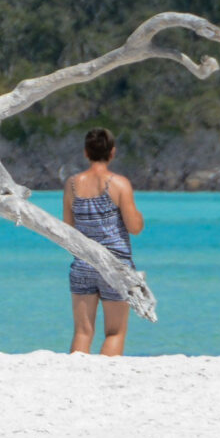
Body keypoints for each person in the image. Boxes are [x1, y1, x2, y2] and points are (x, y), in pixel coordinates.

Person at [62, 127, 145, 355]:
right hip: (114, 265)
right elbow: (134, 227)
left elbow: (68, 230)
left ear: (86, 153)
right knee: (115, 332)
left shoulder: (72, 185)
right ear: (113, 153)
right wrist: (139, 216)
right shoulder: (119, 184)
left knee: (82, 332)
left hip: (83, 263)